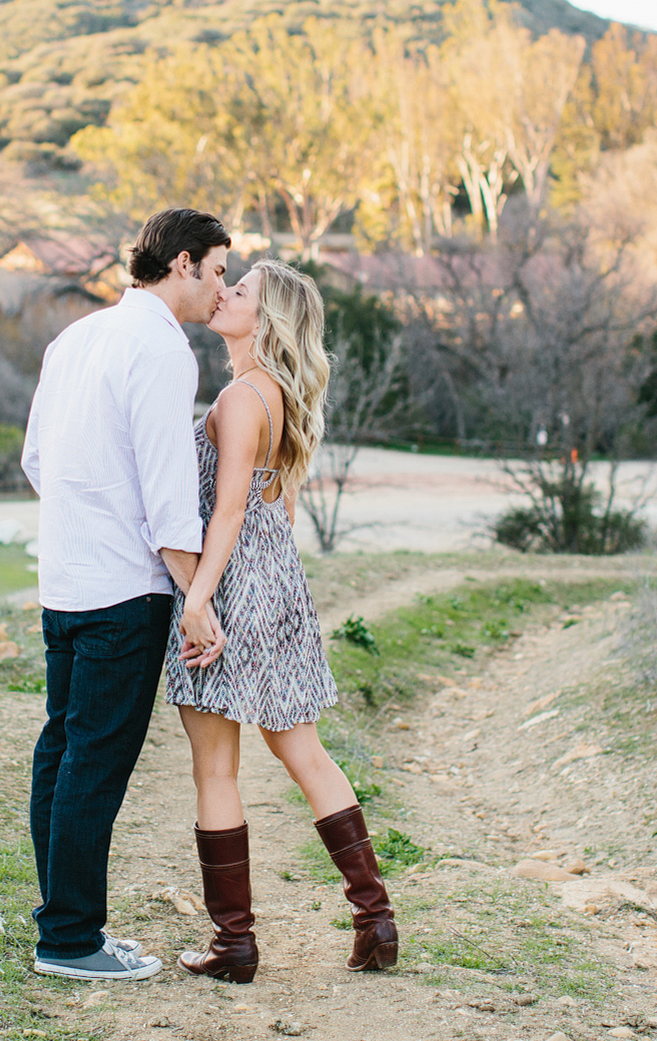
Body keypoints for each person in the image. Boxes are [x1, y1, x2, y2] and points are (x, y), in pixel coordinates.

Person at [165, 260, 400, 984]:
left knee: (216, 767)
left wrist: (200, 599)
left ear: (266, 322)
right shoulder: (282, 397)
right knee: (307, 754)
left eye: (241, 292)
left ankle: (234, 943)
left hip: (230, 584)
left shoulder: (241, 399)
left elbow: (228, 509)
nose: (224, 293)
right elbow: (279, 505)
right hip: (277, 583)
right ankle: (375, 919)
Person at [21, 207, 231, 982]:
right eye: (215, 272)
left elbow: (39, 459)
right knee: (93, 764)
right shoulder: (161, 348)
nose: (220, 289)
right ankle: (71, 940)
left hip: (65, 583)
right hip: (123, 593)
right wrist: (195, 598)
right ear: (181, 263)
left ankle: (63, 925)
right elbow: (169, 494)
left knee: (62, 753)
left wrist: (90, 518)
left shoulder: (74, 338)